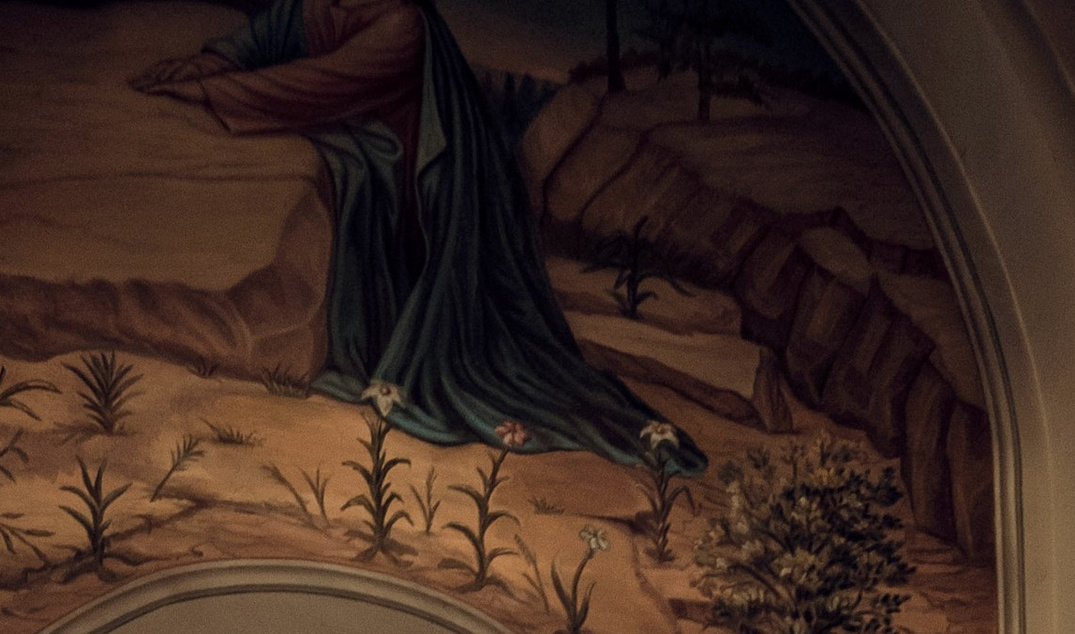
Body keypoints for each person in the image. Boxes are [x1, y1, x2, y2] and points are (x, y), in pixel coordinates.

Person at [132, 2, 700, 470]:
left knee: (370, 182)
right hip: (370, 135)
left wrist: (217, 93)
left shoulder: (403, 22)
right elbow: (269, 32)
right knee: (354, 165)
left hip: (428, 177)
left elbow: (323, 83)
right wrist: (211, 62)